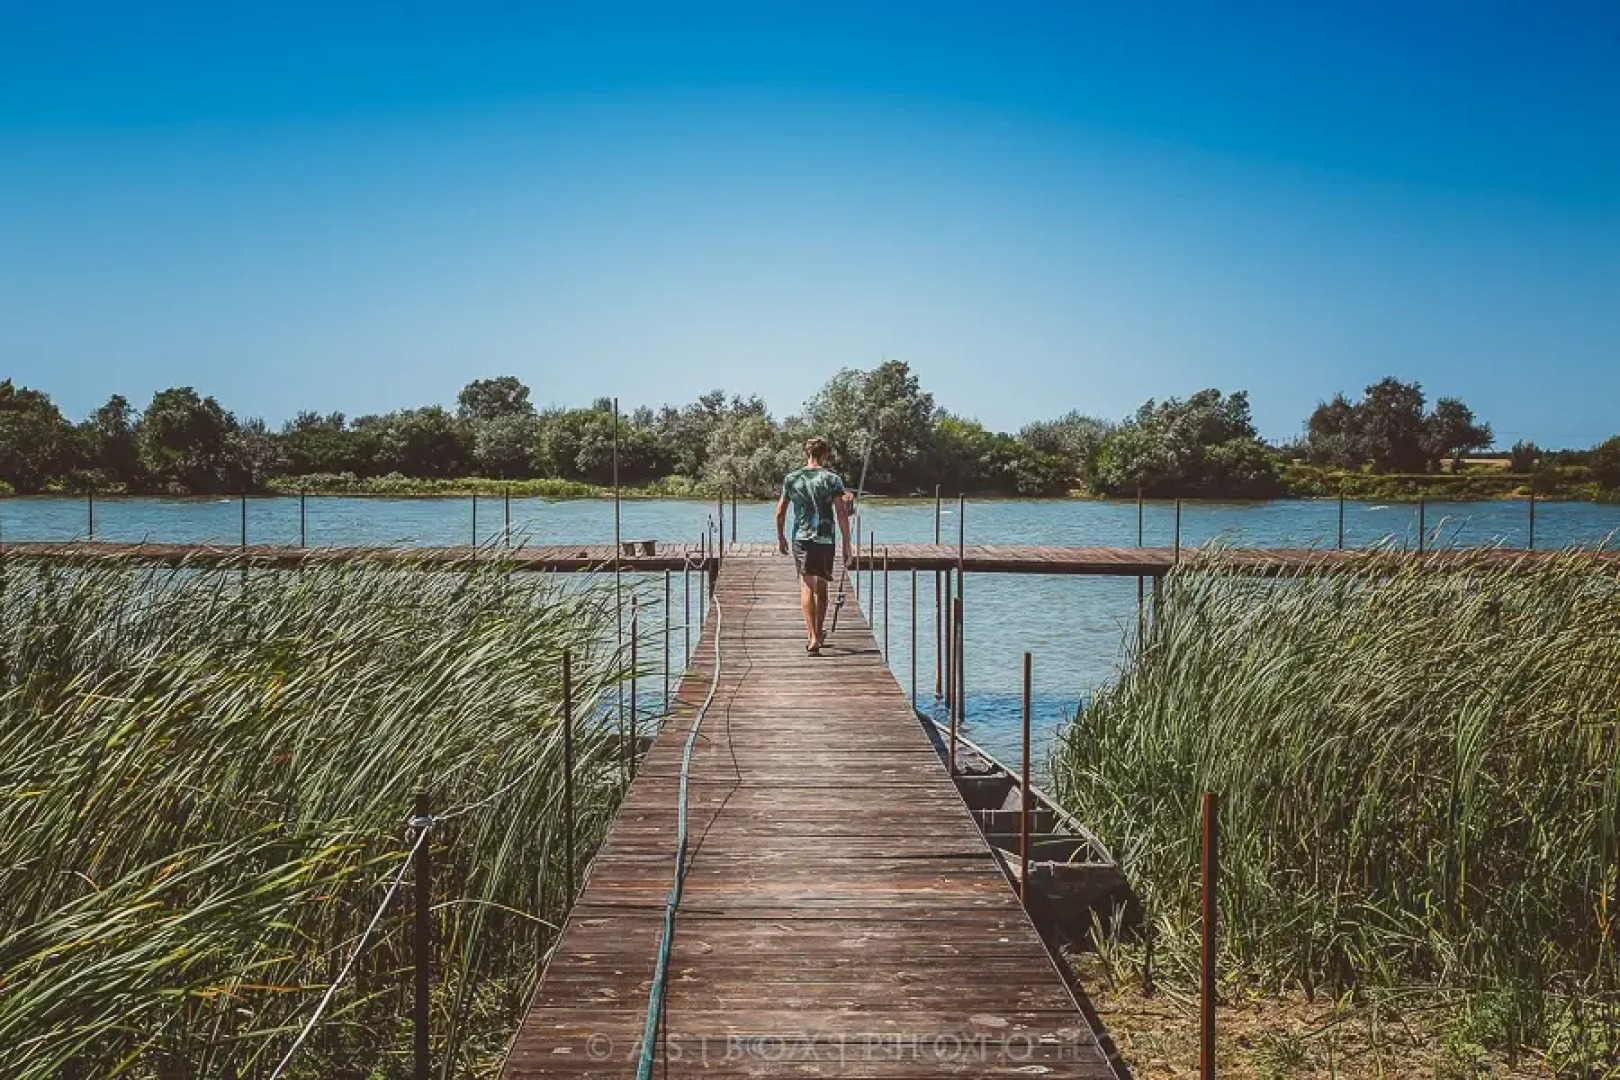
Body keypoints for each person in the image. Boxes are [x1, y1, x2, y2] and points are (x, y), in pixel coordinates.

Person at [775, 436, 853, 654]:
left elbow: (780, 511)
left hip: (802, 538)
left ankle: (812, 638)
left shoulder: (792, 478)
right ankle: (818, 631)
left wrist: (780, 537)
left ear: (806, 453)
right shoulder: (832, 479)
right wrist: (847, 543)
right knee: (822, 587)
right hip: (826, 538)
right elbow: (841, 512)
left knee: (806, 586)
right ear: (825, 454)